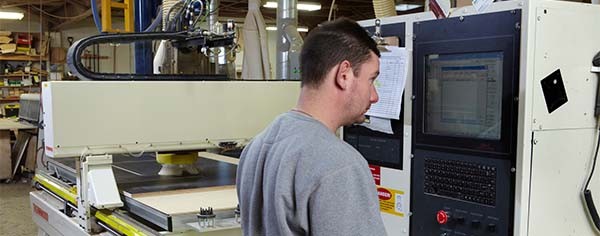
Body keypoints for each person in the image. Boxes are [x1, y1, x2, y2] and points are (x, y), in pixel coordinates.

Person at [236, 18, 386, 236]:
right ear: (344, 75)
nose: (374, 97)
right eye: (371, 80)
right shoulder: (340, 165)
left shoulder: (256, 148)